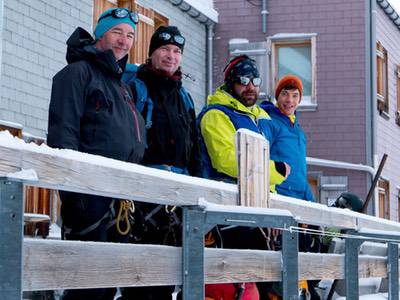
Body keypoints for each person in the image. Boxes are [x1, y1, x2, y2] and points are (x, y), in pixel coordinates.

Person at [47, 8, 145, 300]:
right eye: (117, 32)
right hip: (89, 197)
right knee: (87, 286)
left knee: (107, 285)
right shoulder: (76, 74)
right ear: (100, 33)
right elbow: (63, 135)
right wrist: (75, 194)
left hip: (119, 198)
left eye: (129, 35)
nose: (124, 41)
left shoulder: (120, 85)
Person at [198, 55, 291, 300]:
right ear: (230, 82)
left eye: (255, 80)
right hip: (228, 215)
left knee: (264, 286)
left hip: (255, 215)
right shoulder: (216, 115)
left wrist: (273, 205)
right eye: (243, 80)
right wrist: (276, 171)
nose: (250, 86)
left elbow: (259, 167)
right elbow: (228, 160)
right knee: (236, 287)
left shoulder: (256, 118)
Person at [120, 26, 202, 300]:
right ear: (152, 52)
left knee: (167, 278)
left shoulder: (184, 97)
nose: (171, 56)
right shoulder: (135, 86)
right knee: (139, 276)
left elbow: (195, 149)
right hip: (143, 194)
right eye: (165, 49)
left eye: (177, 52)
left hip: (177, 198)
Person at [259, 75, 319, 299]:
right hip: (279, 202)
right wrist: (271, 209)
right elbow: (264, 166)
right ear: (277, 96)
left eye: (295, 95)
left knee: (303, 259)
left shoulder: (298, 131)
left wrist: (310, 207)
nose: (289, 100)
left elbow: (301, 173)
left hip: (298, 204)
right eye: (285, 94)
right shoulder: (269, 122)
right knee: (279, 266)